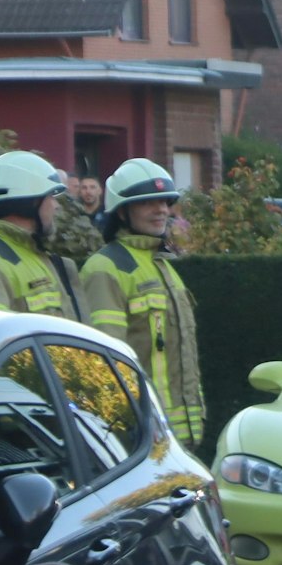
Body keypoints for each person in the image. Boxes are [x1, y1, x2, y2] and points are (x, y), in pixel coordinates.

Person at [79, 159, 206, 449]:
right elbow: (106, 363)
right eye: (148, 202)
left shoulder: (164, 265)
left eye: (164, 201)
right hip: (139, 436)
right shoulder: (106, 268)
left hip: (181, 436)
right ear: (122, 211)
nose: (161, 209)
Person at [0, 150, 82, 320]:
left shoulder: (36, 255)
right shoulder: (3, 261)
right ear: (30, 201)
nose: (56, 206)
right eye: (51, 197)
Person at [44, 169, 103, 262]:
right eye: (84, 187)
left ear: (100, 190)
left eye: (92, 187)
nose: (88, 191)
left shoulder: (77, 210)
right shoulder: (63, 209)